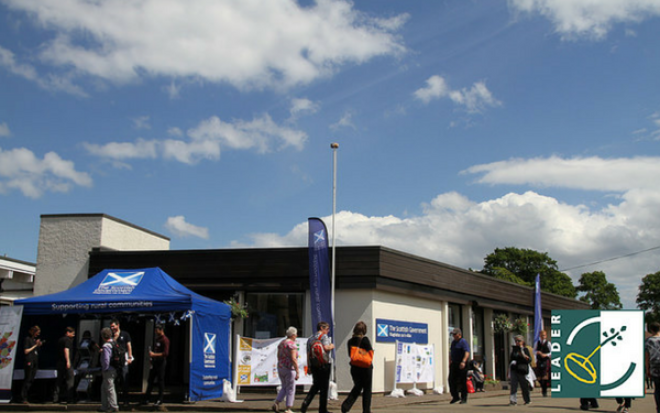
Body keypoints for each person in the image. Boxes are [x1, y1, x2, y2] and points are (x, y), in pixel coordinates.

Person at [300, 321, 335, 413]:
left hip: (314, 364)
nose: (328, 331)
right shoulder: (324, 336)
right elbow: (326, 348)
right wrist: (332, 346)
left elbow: (308, 354)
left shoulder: (310, 338)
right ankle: (322, 409)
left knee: (316, 385)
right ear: (322, 328)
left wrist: (309, 366)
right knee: (324, 387)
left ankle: (306, 402)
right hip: (324, 364)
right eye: (327, 328)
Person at [341, 321, 374, 413]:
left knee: (357, 387)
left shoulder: (350, 341)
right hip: (366, 368)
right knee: (367, 389)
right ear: (364, 330)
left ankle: (346, 405)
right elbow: (370, 353)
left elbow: (350, 355)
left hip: (355, 368)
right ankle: (366, 410)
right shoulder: (365, 340)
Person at [272, 326, 299, 413]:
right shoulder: (291, 344)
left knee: (284, 386)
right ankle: (288, 408)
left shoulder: (281, 343)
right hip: (289, 368)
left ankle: (277, 402)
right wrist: (297, 370)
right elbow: (293, 358)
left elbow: (278, 355)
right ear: (293, 335)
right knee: (291, 388)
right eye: (296, 335)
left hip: (281, 367)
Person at [143, 324, 169, 406]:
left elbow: (165, 353)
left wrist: (155, 355)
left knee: (160, 380)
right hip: (155, 362)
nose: (155, 331)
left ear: (161, 330)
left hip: (161, 362)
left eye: (157, 329)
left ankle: (160, 399)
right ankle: (147, 398)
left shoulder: (165, 340)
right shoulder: (157, 339)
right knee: (150, 380)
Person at [110, 318, 133, 406]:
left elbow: (129, 346)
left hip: (124, 359)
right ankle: (115, 400)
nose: (112, 328)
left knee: (124, 378)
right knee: (115, 380)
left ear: (118, 325)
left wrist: (130, 357)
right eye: (111, 327)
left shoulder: (125, 334)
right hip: (115, 360)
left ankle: (125, 399)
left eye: (113, 326)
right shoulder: (111, 336)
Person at [21, 325, 43, 404]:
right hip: (29, 360)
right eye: (37, 333)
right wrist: (35, 346)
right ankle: (23, 397)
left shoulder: (34, 340)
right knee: (28, 378)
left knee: (31, 379)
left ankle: (28, 396)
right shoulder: (28, 339)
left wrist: (38, 345)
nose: (38, 334)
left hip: (35, 361)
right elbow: (26, 351)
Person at [448, 327, 470, 404]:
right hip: (454, 363)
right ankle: (455, 397)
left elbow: (467, 352)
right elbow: (451, 352)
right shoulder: (453, 342)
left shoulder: (463, 342)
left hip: (461, 363)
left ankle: (464, 398)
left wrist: (463, 361)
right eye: (452, 334)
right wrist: (449, 361)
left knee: (462, 381)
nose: (453, 336)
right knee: (451, 380)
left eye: (455, 334)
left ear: (459, 334)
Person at [99, 327, 118, 413]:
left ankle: (113, 406)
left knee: (110, 388)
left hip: (108, 370)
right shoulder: (113, 343)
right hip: (114, 368)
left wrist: (104, 368)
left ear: (103, 336)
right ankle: (104, 405)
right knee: (104, 387)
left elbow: (106, 359)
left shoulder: (106, 345)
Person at [509, 335, 532, 406]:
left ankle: (527, 400)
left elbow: (529, 360)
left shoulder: (525, 350)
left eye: (519, 341)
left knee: (524, 385)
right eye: (516, 341)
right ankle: (513, 400)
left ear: (522, 342)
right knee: (513, 385)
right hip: (514, 369)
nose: (517, 342)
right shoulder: (514, 350)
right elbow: (511, 358)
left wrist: (525, 357)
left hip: (522, 369)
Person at [56, 327, 76, 404]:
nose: (73, 335)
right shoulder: (67, 340)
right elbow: (66, 350)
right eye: (72, 333)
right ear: (68, 333)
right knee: (70, 379)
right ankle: (69, 397)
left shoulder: (60, 340)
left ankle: (56, 397)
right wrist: (68, 361)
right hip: (66, 362)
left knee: (59, 380)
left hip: (59, 362)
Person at [646, 321, 660, 413]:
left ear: (651, 330)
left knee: (658, 389)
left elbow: (647, 357)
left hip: (655, 367)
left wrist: (647, 369)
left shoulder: (648, 341)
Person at [534, 330, 551, 397]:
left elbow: (552, 352)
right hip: (539, 360)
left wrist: (546, 355)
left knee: (545, 377)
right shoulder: (537, 343)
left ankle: (544, 391)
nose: (542, 337)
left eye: (544, 335)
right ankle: (543, 387)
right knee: (539, 377)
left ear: (546, 336)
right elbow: (534, 351)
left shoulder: (548, 343)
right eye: (541, 335)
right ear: (539, 336)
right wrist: (537, 353)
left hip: (545, 360)